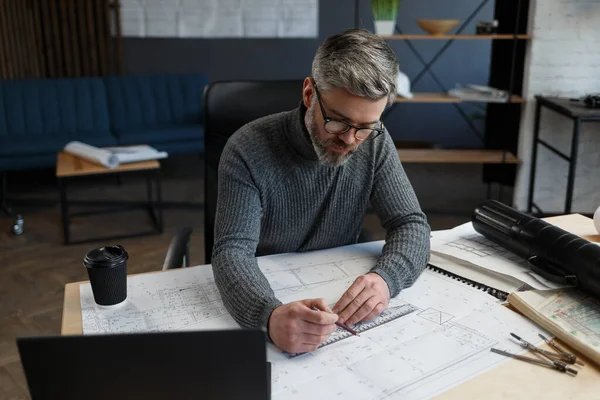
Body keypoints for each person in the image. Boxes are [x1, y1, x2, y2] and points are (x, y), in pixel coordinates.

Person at [211, 28, 431, 354]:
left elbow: (411, 223)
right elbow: (231, 251)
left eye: (365, 127)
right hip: (272, 287)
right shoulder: (246, 148)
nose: (350, 140)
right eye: (338, 122)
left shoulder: (376, 142)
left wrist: (387, 279)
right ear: (309, 93)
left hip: (335, 285)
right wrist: (267, 315)